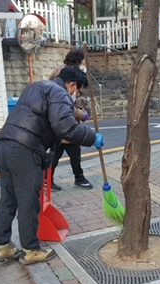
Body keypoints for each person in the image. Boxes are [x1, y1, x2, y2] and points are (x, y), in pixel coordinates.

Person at [0, 66, 104, 264]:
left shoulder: (37, 87)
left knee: (8, 198)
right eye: (78, 92)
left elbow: (50, 126)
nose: (77, 96)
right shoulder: (60, 93)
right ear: (73, 86)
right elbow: (64, 127)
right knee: (28, 201)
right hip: (25, 151)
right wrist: (92, 137)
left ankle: (1, 246)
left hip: (5, 146)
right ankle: (30, 249)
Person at [48, 48, 94, 191]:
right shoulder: (63, 75)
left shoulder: (74, 76)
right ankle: (48, 180)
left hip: (67, 122)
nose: (85, 65)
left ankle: (78, 177)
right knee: (56, 154)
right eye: (84, 62)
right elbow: (63, 105)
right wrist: (80, 114)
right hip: (62, 122)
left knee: (72, 152)